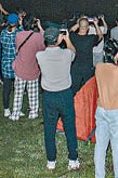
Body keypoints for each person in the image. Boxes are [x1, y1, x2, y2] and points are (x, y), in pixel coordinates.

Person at [36, 27, 79, 171]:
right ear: (58, 39)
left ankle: (51, 160)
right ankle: (73, 159)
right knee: (70, 127)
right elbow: (74, 52)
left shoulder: (39, 56)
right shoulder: (66, 53)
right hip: (65, 94)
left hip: (49, 95)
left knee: (49, 128)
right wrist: (67, 40)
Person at [94, 39, 118, 178]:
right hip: (117, 111)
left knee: (100, 145)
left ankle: (99, 175)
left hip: (101, 109)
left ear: (104, 53)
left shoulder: (98, 67)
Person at [10, 16, 46, 121]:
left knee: (18, 92)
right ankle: (33, 112)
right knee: (33, 92)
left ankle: (15, 114)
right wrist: (40, 27)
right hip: (33, 67)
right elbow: (44, 44)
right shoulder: (38, 37)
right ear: (33, 24)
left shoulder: (18, 35)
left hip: (20, 67)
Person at [69, 17, 104, 95]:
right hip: (87, 67)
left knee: (74, 89)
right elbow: (100, 36)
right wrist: (96, 24)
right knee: (88, 89)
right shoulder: (90, 38)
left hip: (75, 66)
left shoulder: (73, 37)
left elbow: (70, 30)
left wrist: (79, 23)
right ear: (88, 27)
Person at [0, 13, 22, 117]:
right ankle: (17, 108)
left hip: (5, 63)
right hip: (17, 63)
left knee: (6, 88)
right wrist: (21, 24)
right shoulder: (18, 33)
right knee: (18, 88)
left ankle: (6, 109)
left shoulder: (3, 33)